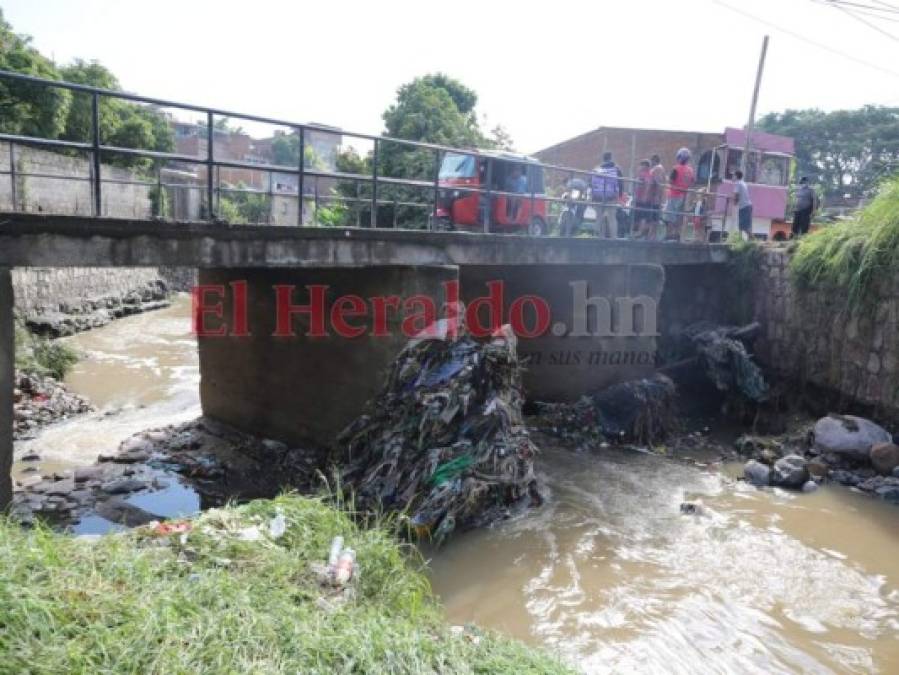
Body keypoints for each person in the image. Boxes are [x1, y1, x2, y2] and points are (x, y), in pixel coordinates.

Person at [663, 147, 695, 241]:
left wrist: (666, 179)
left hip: (674, 195)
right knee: (679, 217)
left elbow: (671, 181)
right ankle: (677, 235)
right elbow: (692, 182)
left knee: (669, 216)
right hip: (684, 196)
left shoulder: (676, 168)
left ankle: (668, 235)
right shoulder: (690, 170)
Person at [590, 152, 622, 238]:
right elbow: (620, 183)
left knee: (599, 217)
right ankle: (613, 237)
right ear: (611, 158)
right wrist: (620, 195)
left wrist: (592, 196)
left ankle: (599, 236)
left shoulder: (596, 169)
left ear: (603, 158)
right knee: (612, 218)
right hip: (611, 196)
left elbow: (591, 184)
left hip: (598, 196)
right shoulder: (616, 169)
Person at [633, 159, 654, 239]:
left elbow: (648, 186)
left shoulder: (647, 175)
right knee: (639, 216)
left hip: (644, 199)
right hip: (639, 198)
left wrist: (644, 196)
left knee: (643, 216)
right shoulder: (641, 174)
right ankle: (639, 232)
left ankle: (641, 233)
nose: (641, 167)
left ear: (646, 166)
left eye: (642, 165)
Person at [648, 154, 666, 240]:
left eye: (652, 161)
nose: (651, 163)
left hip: (654, 198)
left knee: (653, 218)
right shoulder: (661, 169)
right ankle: (652, 236)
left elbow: (657, 183)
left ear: (654, 161)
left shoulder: (657, 169)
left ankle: (652, 236)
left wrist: (658, 196)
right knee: (654, 218)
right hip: (657, 198)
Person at [732, 169, 753, 240]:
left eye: (733, 175)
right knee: (743, 226)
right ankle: (741, 239)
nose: (732, 177)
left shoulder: (738, 183)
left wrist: (734, 203)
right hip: (747, 206)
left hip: (744, 206)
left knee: (744, 226)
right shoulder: (743, 183)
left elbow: (736, 194)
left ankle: (752, 240)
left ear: (736, 176)